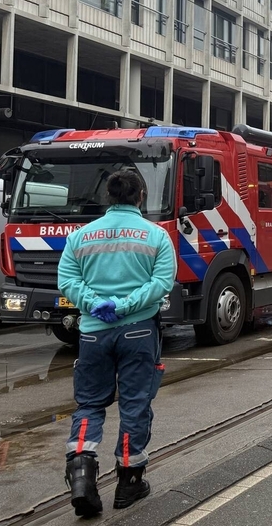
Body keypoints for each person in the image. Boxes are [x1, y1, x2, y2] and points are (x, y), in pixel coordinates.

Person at [59, 170, 177, 517]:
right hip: (139, 331)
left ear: (109, 197)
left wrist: (95, 304)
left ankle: (81, 475)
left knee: (89, 405)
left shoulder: (81, 236)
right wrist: (125, 306)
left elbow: (67, 279)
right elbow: (161, 283)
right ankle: (129, 483)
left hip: (94, 332)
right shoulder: (156, 236)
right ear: (141, 196)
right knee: (135, 404)